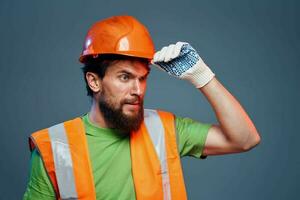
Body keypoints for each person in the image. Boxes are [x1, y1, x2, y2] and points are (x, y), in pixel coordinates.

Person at [23, 15, 261, 200]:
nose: (138, 89)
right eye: (125, 77)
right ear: (94, 81)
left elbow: (245, 139)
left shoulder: (166, 130)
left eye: (143, 77)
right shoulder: (52, 147)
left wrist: (202, 76)